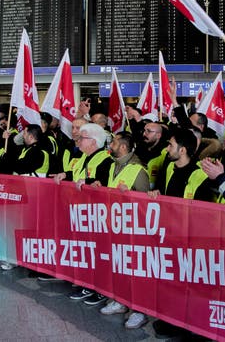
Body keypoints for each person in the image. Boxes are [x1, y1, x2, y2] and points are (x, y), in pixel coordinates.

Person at [99, 131, 150, 329]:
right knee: (118, 268)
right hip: (115, 227)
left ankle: (139, 311)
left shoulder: (138, 170)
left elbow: (147, 205)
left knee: (135, 272)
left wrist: (129, 196)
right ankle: (121, 301)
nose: (110, 145)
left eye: (113, 142)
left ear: (123, 147)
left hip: (133, 231)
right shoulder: (113, 166)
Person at [59, 123, 112, 305]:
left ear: (94, 141)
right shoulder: (82, 157)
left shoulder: (105, 159)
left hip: (96, 214)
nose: (78, 140)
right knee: (85, 250)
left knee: (98, 252)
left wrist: (88, 181)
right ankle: (87, 282)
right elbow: (77, 175)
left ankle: (100, 289)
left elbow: (103, 182)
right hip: (80, 212)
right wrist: (65, 174)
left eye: (82, 138)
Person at [150, 127, 215, 202]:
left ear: (182, 150)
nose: (167, 149)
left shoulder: (201, 177)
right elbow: (160, 190)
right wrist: (156, 193)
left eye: (171, 145)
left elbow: (203, 210)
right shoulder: (169, 166)